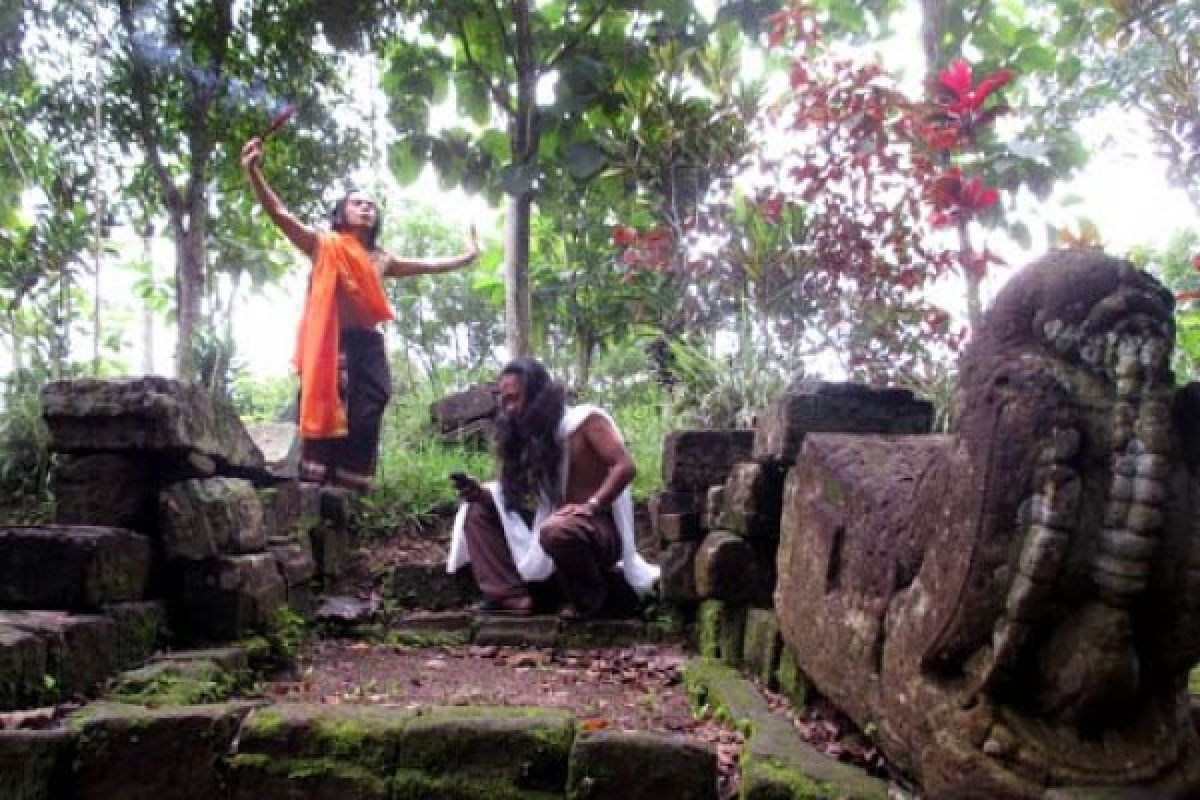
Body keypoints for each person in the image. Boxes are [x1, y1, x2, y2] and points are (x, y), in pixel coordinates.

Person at [240, 136, 479, 491]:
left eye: (371, 205)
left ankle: (351, 482)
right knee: (329, 404)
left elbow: (428, 265)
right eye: (358, 203)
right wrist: (253, 172)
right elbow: (281, 216)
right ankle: (319, 480)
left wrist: (467, 256)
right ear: (341, 213)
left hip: (367, 343)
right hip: (331, 342)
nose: (367, 208)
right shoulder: (323, 244)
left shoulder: (382, 258)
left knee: (373, 401)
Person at [446, 358, 660, 618]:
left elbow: (624, 466)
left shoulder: (585, 421)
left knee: (558, 529)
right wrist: (481, 493)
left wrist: (591, 506)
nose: (509, 409)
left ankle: (588, 602)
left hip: (596, 529)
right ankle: (511, 595)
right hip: (548, 527)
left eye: (515, 399)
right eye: (504, 402)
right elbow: (514, 498)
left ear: (538, 397)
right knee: (476, 510)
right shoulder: (527, 437)